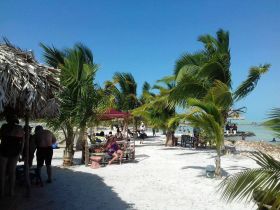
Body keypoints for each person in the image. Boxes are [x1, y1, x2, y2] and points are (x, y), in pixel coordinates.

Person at [0, 112, 24, 197]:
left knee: (2, 172)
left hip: (4, 150)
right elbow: (22, 142)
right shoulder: (20, 128)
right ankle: (11, 191)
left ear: (7, 119)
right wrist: (21, 152)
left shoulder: (4, 127)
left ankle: (2, 192)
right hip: (15, 150)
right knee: (12, 172)